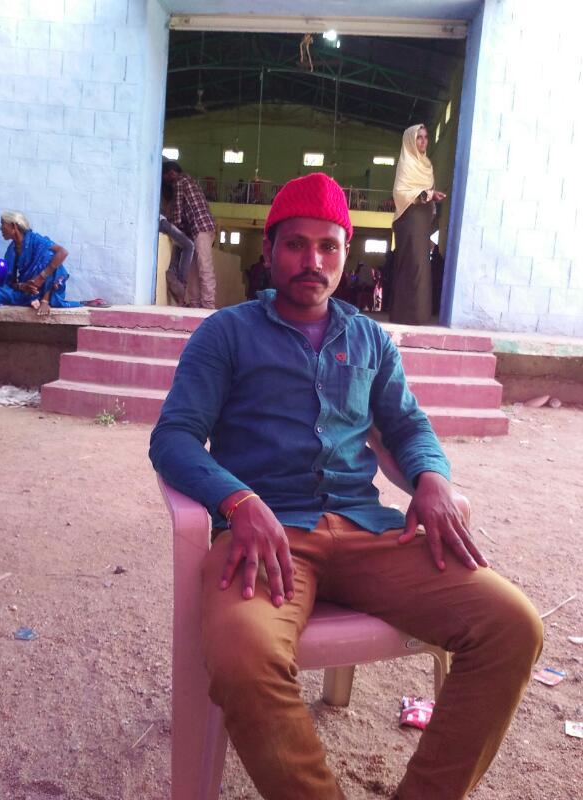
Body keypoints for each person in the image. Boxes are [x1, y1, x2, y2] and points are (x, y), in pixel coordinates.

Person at [150, 172, 543, 800]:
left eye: (327, 246)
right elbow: (173, 437)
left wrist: (432, 478)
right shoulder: (225, 333)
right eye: (296, 244)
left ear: (345, 252)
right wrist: (238, 499)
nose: (313, 261)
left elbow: (406, 426)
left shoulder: (369, 339)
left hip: (368, 531)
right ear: (269, 250)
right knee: (244, 658)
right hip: (266, 539)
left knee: (513, 626)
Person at [0, 212, 107, 316]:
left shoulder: (36, 240)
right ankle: (32, 299)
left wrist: (41, 280)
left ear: (14, 226)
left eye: (3, 225)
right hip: (27, 291)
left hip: (47, 288)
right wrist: (23, 286)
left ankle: (44, 299)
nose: (1, 229)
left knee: (50, 256)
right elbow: (11, 282)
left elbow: (63, 252)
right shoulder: (11, 250)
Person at [389, 125, 446, 325]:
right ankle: (405, 315)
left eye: (425, 137)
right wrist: (428, 194)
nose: (423, 141)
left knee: (422, 266)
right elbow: (400, 193)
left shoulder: (427, 165)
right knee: (412, 265)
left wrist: (431, 197)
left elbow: (427, 193)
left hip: (422, 220)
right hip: (409, 218)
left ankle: (420, 315)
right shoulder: (406, 163)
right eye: (419, 138)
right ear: (410, 141)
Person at [161, 160, 217, 309]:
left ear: (171, 173)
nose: (167, 182)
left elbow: (177, 211)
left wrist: (170, 226)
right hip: (200, 229)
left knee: (204, 267)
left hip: (201, 227)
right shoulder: (190, 181)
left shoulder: (180, 181)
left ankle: (208, 305)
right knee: (194, 270)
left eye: (165, 178)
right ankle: (195, 303)